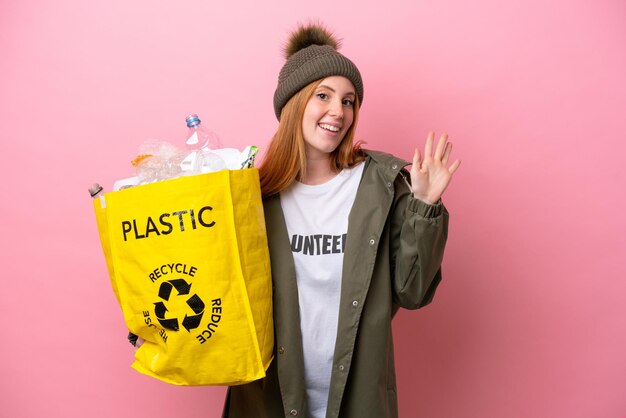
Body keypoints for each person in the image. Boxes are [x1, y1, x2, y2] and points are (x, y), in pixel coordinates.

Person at [222, 23, 460, 418]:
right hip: (268, 400)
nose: (339, 111)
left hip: (359, 399)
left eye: (349, 101)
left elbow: (413, 292)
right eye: (323, 96)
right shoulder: (253, 197)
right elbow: (222, 293)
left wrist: (424, 205)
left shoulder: (381, 186)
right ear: (294, 104)